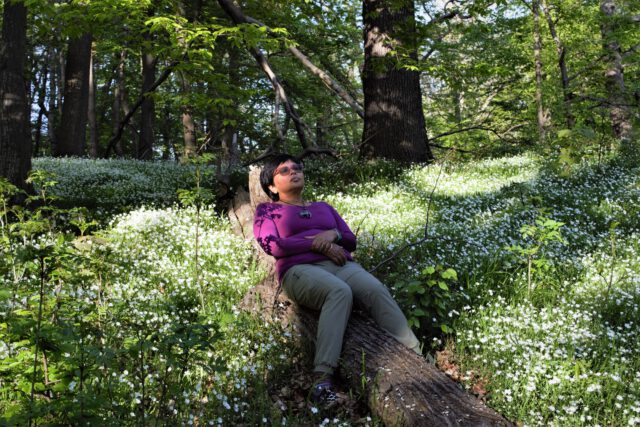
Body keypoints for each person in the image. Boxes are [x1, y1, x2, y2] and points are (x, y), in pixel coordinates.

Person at [253, 154, 421, 404]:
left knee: (375, 289)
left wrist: (333, 235)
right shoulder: (268, 210)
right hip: (299, 270)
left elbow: (350, 239)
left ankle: (418, 358)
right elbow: (272, 246)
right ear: (272, 186)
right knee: (339, 292)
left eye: (297, 168)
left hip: (340, 263)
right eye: (284, 170)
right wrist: (317, 244)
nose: (293, 172)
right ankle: (321, 380)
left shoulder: (324, 207)